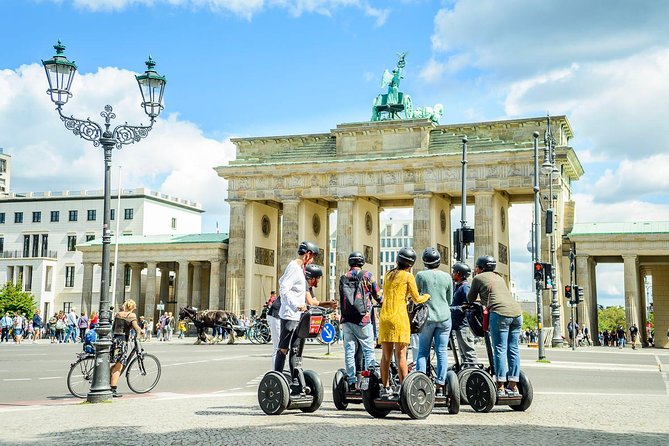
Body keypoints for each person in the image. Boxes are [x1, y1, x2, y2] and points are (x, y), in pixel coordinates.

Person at [467, 255, 523, 398]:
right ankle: (514, 385)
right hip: (517, 313)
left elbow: (470, 298)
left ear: (480, 268)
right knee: (513, 349)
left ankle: (500, 386)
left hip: (499, 313)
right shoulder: (499, 278)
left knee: (499, 349)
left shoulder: (478, 278)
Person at [378, 247, 429, 398]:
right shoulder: (408, 276)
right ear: (411, 264)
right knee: (401, 355)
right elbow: (416, 298)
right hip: (399, 318)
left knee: (385, 356)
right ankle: (404, 389)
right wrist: (427, 295)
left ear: (397, 260)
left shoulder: (388, 274)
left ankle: (385, 388)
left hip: (385, 317)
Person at [274, 240, 319, 395]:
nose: (312, 261)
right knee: (284, 349)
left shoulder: (298, 268)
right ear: (307, 255)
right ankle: (277, 380)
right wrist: (296, 304)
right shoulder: (294, 267)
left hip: (298, 316)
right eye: (312, 257)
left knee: (295, 349)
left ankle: (295, 383)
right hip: (289, 315)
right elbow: (283, 288)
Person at [339, 251, 380, 390]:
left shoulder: (343, 277)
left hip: (346, 319)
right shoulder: (367, 276)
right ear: (362, 262)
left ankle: (351, 381)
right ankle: (369, 379)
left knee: (349, 350)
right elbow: (378, 296)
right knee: (368, 350)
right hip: (363, 319)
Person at [416, 247, 453, 397]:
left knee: (423, 352)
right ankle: (440, 385)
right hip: (444, 318)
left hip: (427, 318)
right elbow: (449, 300)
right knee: (442, 351)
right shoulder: (447, 277)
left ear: (425, 262)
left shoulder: (420, 275)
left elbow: (416, 295)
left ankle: (420, 383)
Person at [109, 299, 143, 397]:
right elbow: (136, 328)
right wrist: (140, 333)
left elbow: (113, 327)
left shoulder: (118, 314)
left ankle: (108, 380)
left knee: (115, 364)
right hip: (122, 342)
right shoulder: (131, 315)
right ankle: (113, 390)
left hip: (114, 340)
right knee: (118, 367)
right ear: (132, 307)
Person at [450, 262, 478, 365]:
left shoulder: (465, 287)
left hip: (464, 326)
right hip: (459, 325)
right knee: (463, 354)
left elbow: (468, 305)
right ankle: (466, 375)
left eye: (453, 272)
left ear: (458, 274)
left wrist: (452, 309)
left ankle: (474, 374)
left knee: (469, 353)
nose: (452, 274)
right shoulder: (458, 287)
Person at [266, 290, 281, 367]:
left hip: (281, 315)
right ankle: (275, 371)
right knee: (278, 346)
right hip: (276, 315)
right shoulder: (272, 298)